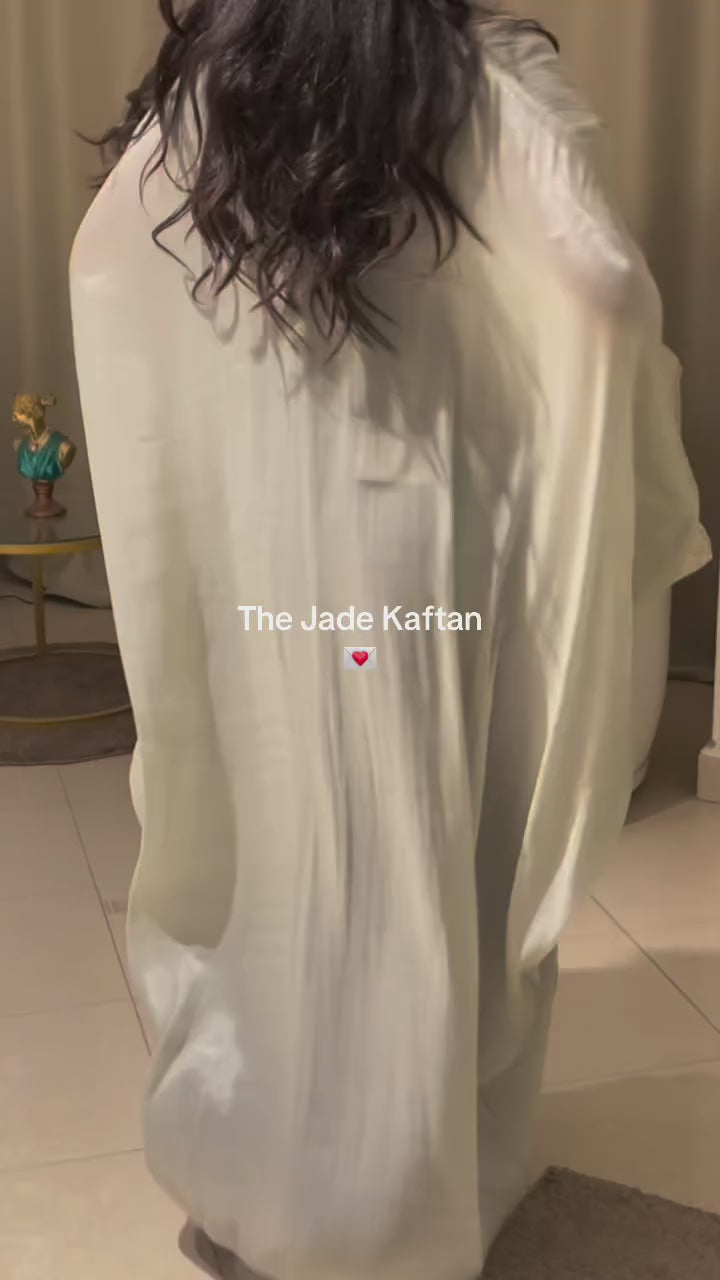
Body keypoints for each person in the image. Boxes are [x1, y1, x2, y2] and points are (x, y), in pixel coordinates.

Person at [70, 3, 711, 1278]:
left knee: (282, 833)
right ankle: (389, 1189)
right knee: (422, 849)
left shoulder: (221, 84)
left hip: (266, 547)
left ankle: (265, 1154)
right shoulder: (476, 81)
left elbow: (104, 260)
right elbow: (598, 291)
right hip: (424, 542)